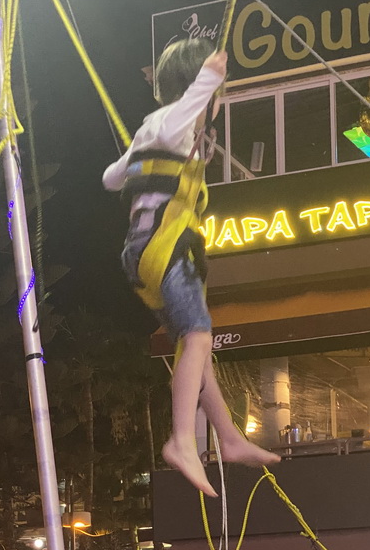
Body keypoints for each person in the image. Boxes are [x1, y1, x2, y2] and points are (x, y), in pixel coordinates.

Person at [102, 38, 279, 498]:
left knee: (195, 351)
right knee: (199, 337)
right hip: (165, 250)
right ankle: (182, 441)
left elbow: (111, 178)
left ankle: (231, 437)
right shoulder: (172, 123)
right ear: (195, 86)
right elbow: (185, 112)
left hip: (146, 254)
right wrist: (209, 77)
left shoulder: (154, 129)